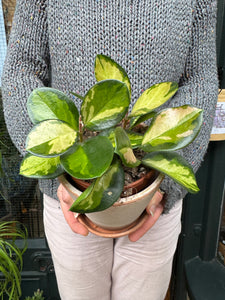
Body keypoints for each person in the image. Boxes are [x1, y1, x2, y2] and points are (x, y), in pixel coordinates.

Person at [2, 1, 218, 299]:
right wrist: (56, 176)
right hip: (73, 201)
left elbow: (200, 79)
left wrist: (165, 186)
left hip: (153, 197)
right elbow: (20, 71)